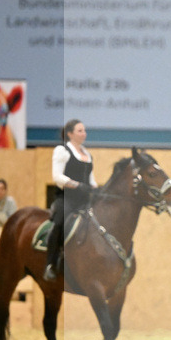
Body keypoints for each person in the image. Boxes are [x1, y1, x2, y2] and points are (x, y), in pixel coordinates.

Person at [45, 119, 97, 281]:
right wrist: (77, 185)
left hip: (84, 200)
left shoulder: (87, 154)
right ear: (70, 134)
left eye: (84, 130)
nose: (84, 133)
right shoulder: (62, 150)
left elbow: (92, 180)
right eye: (80, 131)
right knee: (59, 223)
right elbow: (57, 177)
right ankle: (50, 264)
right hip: (67, 198)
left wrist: (98, 191)